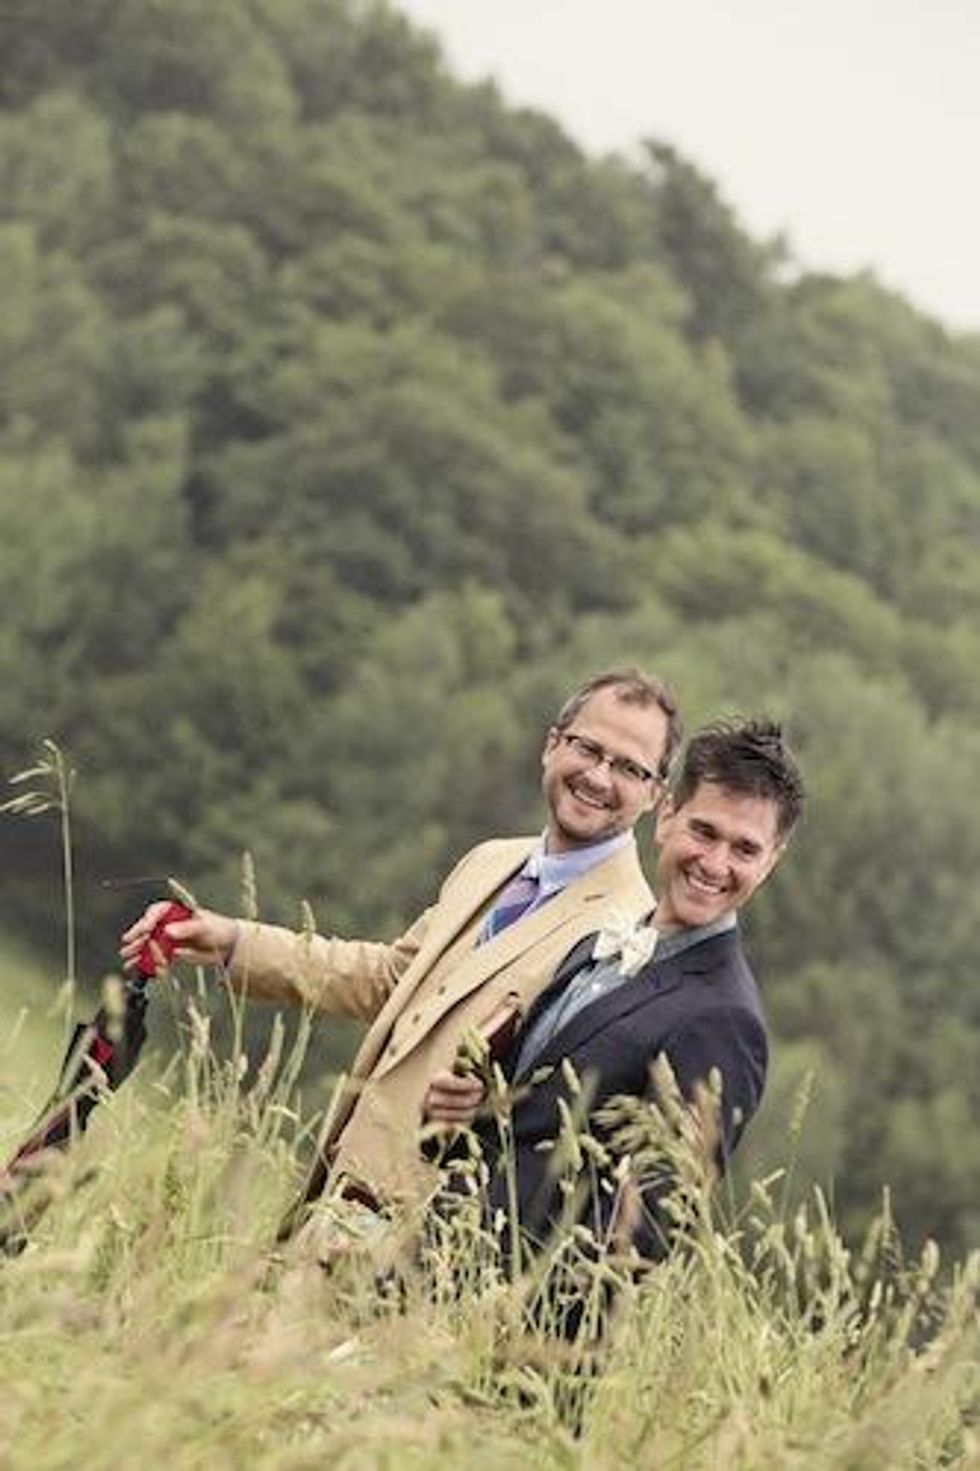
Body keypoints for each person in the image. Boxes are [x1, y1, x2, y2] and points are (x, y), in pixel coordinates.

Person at [120, 668, 681, 1225]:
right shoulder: (490, 861)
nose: (599, 777)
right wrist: (235, 942)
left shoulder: (627, 935)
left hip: (430, 1235)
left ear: (655, 794)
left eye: (629, 768)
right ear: (552, 745)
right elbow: (392, 978)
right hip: (335, 1195)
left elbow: (569, 1111)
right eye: (588, 748)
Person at [432, 717, 805, 1267]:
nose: (715, 864)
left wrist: (512, 1312)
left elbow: (646, 1232)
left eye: (745, 849)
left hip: (510, 1308)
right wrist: (461, 1108)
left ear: (771, 861)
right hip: (435, 1265)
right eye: (704, 832)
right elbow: (527, 1126)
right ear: (667, 815)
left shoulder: (725, 1020)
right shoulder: (598, 942)